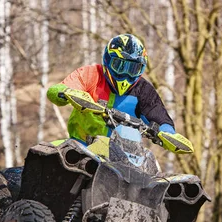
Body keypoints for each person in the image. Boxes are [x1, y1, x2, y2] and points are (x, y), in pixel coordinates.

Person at [46, 33, 194, 154]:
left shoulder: (144, 90)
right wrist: (67, 93)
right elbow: (58, 90)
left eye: (133, 68)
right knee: (48, 153)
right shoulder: (91, 74)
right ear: (107, 60)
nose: (126, 74)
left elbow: (160, 117)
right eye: (120, 65)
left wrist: (167, 133)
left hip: (124, 155)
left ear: (141, 70)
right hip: (81, 147)